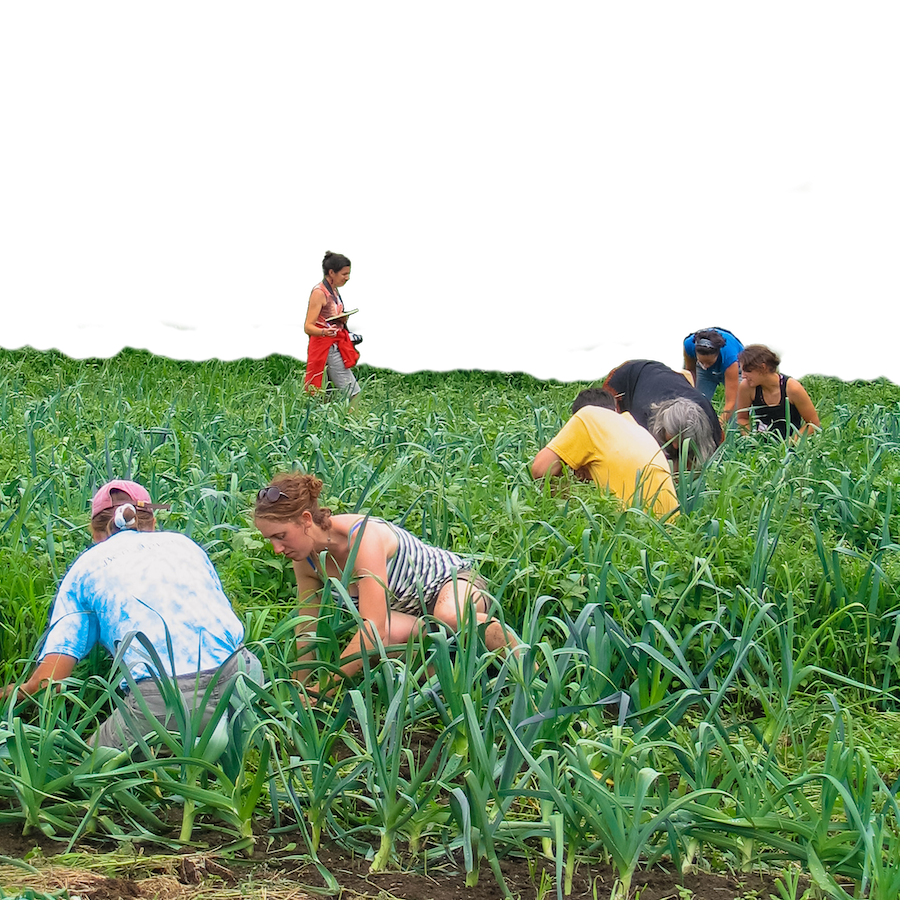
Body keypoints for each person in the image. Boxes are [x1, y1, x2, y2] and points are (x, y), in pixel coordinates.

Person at [1, 480, 262, 751]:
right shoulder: (185, 545)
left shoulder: (86, 568)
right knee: (209, 747)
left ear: (95, 530)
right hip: (244, 681)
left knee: (84, 769)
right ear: (152, 522)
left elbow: (49, 683)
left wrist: (12, 695)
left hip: (168, 702)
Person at [254, 474, 522, 693]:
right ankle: (457, 687)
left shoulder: (362, 537)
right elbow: (307, 630)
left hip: (452, 584)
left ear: (306, 520)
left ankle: (526, 667)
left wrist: (327, 688)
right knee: (389, 640)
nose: (277, 548)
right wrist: (300, 688)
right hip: (409, 615)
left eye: (281, 536)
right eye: (270, 540)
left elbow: (371, 627)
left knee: (447, 616)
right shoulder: (306, 561)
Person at [530, 388, 679, 517]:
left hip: (631, 526)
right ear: (615, 410)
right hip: (669, 527)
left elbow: (539, 469)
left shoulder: (587, 416)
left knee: (554, 478)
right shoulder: (635, 427)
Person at [603, 358, 722, 471]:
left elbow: (716, 451)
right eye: (673, 439)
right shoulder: (644, 417)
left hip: (664, 380)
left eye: (681, 440)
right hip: (626, 377)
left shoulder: (709, 418)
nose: (675, 446)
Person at [304, 250, 361, 408]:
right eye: (344, 274)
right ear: (331, 272)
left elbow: (328, 316)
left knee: (326, 395)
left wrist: (341, 318)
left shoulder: (333, 290)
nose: (347, 277)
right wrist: (323, 332)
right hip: (326, 347)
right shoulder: (319, 293)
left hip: (335, 342)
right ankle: (353, 426)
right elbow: (308, 326)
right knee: (354, 393)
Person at [736, 344, 821, 440]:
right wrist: (749, 438)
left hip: (793, 443)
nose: (743, 376)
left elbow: (813, 423)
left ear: (763, 368)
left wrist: (791, 443)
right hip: (762, 445)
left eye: (747, 371)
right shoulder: (747, 387)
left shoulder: (792, 388)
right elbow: (742, 418)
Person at [682, 327, 744, 424]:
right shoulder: (689, 345)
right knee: (697, 403)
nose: (706, 365)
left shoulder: (729, 357)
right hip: (704, 373)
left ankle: (732, 437)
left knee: (736, 410)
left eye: (709, 362)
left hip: (733, 368)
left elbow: (731, 401)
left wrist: (720, 424)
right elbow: (690, 373)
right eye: (702, 361)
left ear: (717, 354)